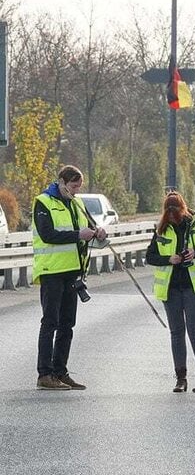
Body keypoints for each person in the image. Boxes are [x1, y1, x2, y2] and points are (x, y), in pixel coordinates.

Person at [33, 165, 107, 390]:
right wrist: (77, 235)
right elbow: (47, 234)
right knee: (50, 322)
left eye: (79, 187)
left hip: (73, 272)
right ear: (62, 182)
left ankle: (60, 371)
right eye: (73, 186)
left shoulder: (77, 203)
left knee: (67, 324)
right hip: (51, 271)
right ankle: (44, 374)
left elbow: (89, 230)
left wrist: (99, 232)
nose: (76, 191)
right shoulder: (43, 202)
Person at [146, 191, 195, 393]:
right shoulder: (161, 229)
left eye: (175, 214)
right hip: (171, 288)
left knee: (194, 331)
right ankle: (181, 379)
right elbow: (150, 256)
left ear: (182, 209)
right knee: (176, 333)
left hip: (194, 286)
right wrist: (169, 259)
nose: (172, 218)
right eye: (168, 215)